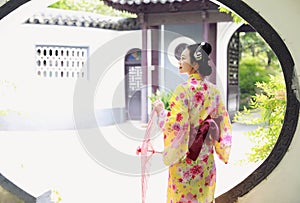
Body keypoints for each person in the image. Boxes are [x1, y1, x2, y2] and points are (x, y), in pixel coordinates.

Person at [153, 42, 232, 203]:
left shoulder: (183, 90)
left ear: (195, 64)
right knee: (203, 197)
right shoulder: (214, 91)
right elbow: (222, 122)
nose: (179, 62)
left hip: (186, 156)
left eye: (183, 58)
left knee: (182, 198)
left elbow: (176, 125)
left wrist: (161, 112)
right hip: (205, 158)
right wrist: (221, 147)